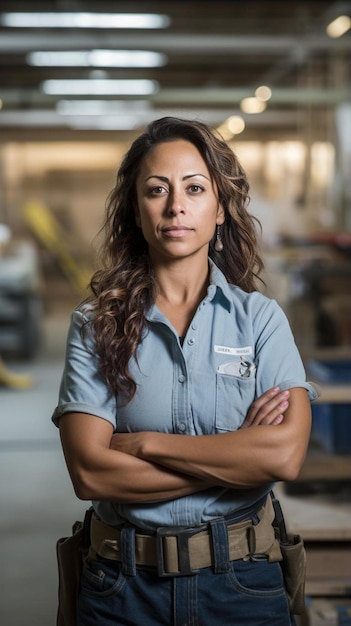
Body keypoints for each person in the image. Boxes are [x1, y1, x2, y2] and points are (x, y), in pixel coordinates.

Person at [52, 116, 318, 626]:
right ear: (136, 208)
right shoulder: (95, 325)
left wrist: (147, 445)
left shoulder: (260, 320)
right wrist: (236, 455)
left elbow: (283, 457)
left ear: (219, 208)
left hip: (242, 584)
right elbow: (89, 472)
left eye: (194, 188)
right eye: (157, 190)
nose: (176, 206)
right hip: (122, 588)